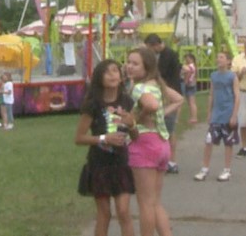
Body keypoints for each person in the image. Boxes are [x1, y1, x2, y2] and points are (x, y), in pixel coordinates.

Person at [125, 46, 183, 236]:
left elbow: (151, 104)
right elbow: (178, 99)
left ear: (147, 66)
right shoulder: (157, 85)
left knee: (145, 203)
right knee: (155, 201)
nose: (129, 67)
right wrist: (160, 113)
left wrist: (137, 117)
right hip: (161, 142)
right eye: (128, 62)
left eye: (135, 64)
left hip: (144, 143)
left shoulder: (139, 88)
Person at [75, 59, 136, 236]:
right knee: (105, 213)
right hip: (99, 164)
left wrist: (131, 125)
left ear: (121, 76)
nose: (112, 75)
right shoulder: (92, 104)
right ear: (100, 78)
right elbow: (79, 138)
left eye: (116, 71)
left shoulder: (127, 101)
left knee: (124, 211)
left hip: (121, 163)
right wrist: (104, 138)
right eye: (107, 72)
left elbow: (135, 137)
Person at [194, 49, 239, 182]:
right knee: (209, 140)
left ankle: (227, 169)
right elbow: (211, 94)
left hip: (228, 112)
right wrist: (209, 113)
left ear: (228, 61)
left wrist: (234, 115)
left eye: (222, 57)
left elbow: (237, 96)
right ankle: (205, 168)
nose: (219, 59)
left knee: (228, 142)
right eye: (218, 57)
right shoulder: (214, 76)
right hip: (216, 114)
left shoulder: (232, 76)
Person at [144, 34, 182, 174]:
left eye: (150, 48)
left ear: (156, 45)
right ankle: (165, 159)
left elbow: (160, 74)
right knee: (163, 128)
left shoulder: (168, 55)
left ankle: (171, 160)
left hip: (170, 95)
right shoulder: (161, 55)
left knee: (168, 129)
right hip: (165, 94)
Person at [181, 53, 198, 125]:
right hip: (193, 83)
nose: (186, 60)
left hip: (189, 84)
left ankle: (193, 118)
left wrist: (185, 82)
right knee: (192, 102)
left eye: (187, 58)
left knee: (191, 102)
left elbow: (188, 74)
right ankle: (193, 117)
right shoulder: (195, 66)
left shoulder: (189, 66)